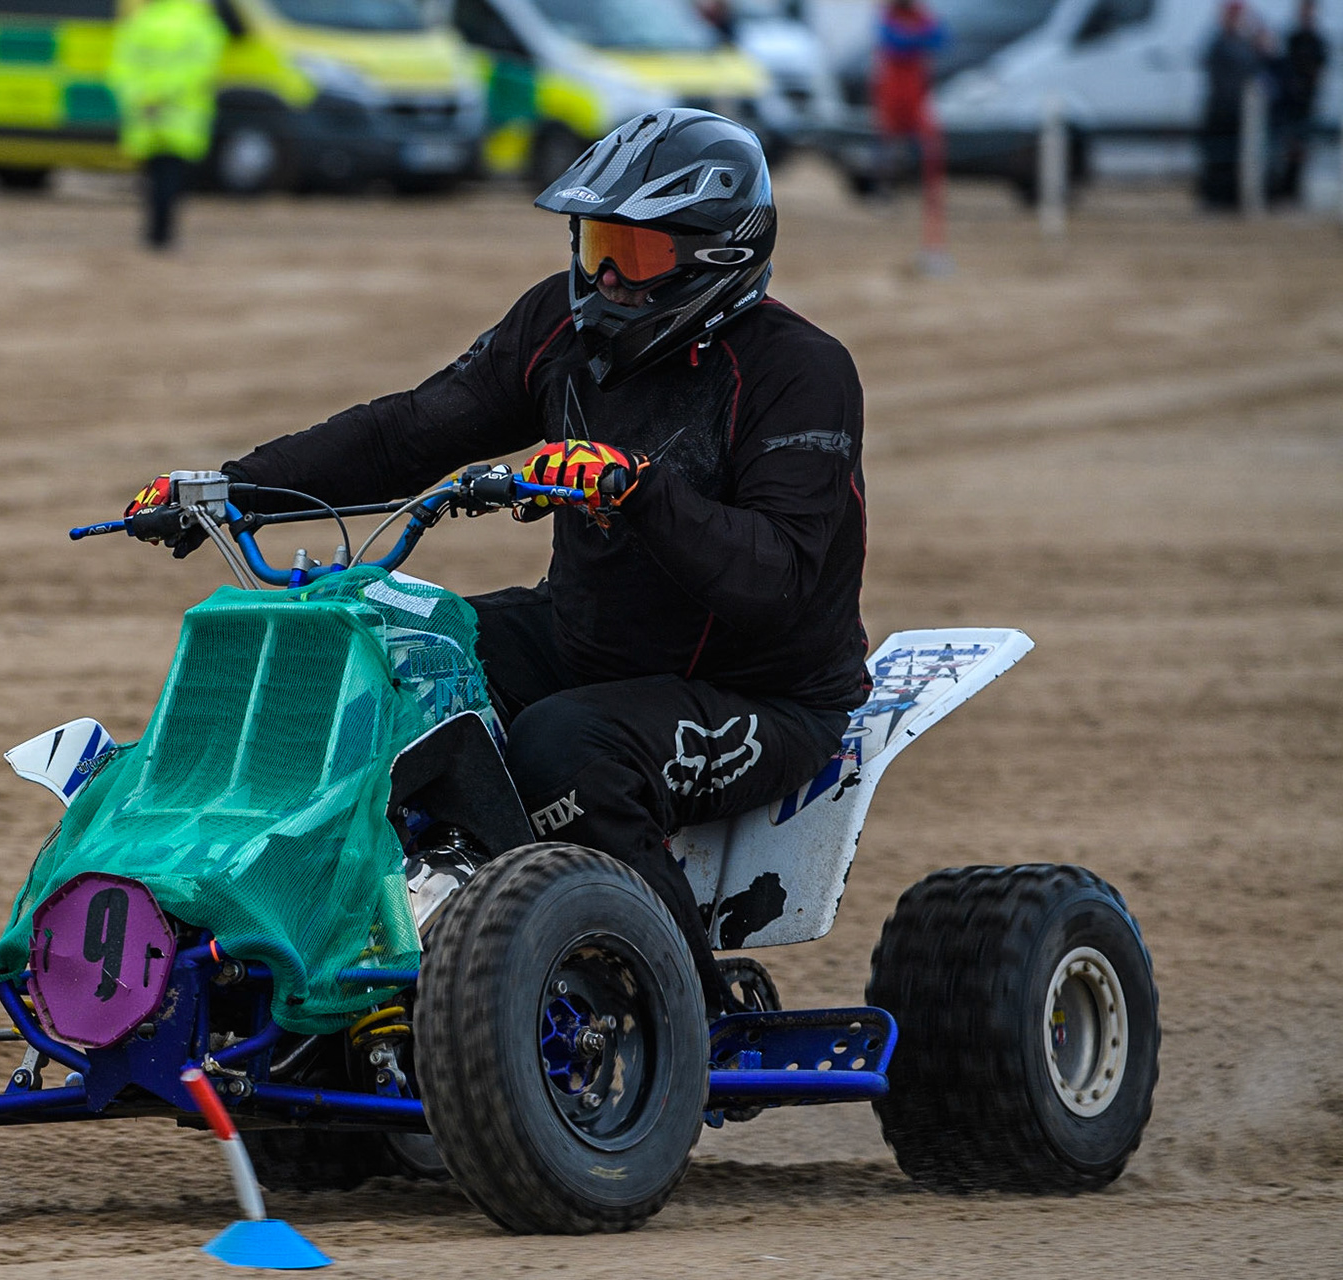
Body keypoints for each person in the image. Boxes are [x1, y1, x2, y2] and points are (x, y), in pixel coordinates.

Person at [127, 110, 868, 1009]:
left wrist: (637, 490)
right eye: (594, 243)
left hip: (765, 694)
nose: (603, 277)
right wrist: (231, 490)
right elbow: (410, 431)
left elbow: (774, 580)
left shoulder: (802, 372)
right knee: (383, 661)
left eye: (635, 255)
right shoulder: (561, 328)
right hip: (588, 641)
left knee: (565, 750)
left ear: (719, 254)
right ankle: (356, 960)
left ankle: (686, 1011)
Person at [107, 0, 229, 250]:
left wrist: (141, 97)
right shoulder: (200, 23)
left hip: (145, 113)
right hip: (180, 114)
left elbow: (121, 67)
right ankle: (163, 235)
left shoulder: (140, 21)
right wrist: (165, 96)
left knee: (152, 176)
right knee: (173, 178)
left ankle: (153, 232)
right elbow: (202, 68)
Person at [871, 0, 947, 251]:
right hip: (892, 93)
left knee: (928, 147)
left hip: (916, 93)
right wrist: (917, 38)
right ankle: (885, 190)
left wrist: (912, 37)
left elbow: (940, 38)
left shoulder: (919, 15)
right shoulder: (888, 16)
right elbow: (895, 43)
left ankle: (926, 197)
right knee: (888, 145)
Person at [1201, 2, 1266, 209]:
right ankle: (1215, 198)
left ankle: (1229, 198)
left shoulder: (1242, 43)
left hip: (1239, 110)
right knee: (1218, 156)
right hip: (1222, 107)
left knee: (1234, 157)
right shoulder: (1221, 42)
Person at [1273, 0, 1330, 202]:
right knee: (1289, 148)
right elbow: (1284, 68)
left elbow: (1320, 71)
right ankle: (1285, 190)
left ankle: (1295, 191)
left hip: (1308, 104)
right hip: (1289, 105)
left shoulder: (1318, 41)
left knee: (1303, 149)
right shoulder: (1293, 39)